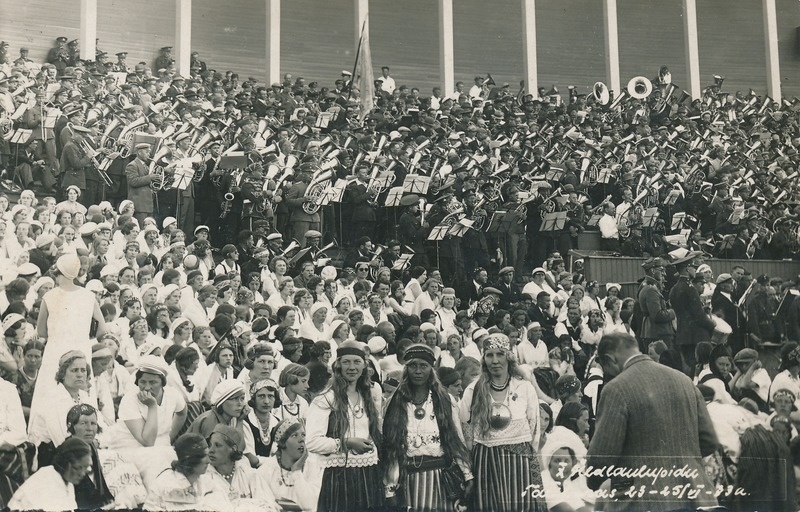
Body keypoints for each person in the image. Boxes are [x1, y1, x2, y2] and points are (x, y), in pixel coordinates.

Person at [586, 332, 719, 511]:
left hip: (643, 500)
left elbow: (600, 461)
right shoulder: (685, 381)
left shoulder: (616, 389)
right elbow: (709, 441)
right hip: (694, 496)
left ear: (609, 359)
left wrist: (596, 481)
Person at [458, 333, 544, 512]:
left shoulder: (524, 387)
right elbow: (465, 432)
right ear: (484, 359)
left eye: (500, 354)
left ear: (509, 357)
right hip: (486, 460)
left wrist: (531, 461)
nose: (495, 360)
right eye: (489, 355)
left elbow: (535, 428)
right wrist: (468, 470)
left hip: (519, 462)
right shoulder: (473, 390)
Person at [383, 343, 473, 511]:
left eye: (423, 366)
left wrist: (467, 475)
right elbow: (392, 449)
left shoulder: (444, 400)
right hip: (408, 479)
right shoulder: (395, 402)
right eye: (413, 366)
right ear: (406, 369)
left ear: (431, 369)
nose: (418, 371)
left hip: (440, 479)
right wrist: (390, 488)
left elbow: (456, 440)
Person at [29, 254, 106, 428]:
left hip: (55, 351)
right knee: (81, 390)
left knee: (50, 391)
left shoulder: (49, 296)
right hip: (80, 349)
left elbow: (41, 331)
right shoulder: (88, 295)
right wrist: (82, 337)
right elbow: (102, 329)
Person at [306, 340, 383, 512]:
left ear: (364, 365)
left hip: (368, 473)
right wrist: (345, 443)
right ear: (338, 365)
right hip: (338, 475)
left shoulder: (368, 396)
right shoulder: (326, 399)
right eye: (346, 362)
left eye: (357, 362)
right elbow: (311, 442)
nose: (352, 367)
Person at [144, 432, 225, 511]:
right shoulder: (167, 482)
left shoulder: (207, 480)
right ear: (190, 459)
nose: (208, 461)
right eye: (203, 456)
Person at [8, 437, 92, 512]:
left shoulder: (66, 482)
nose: (82, 474)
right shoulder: (47, 481)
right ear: (67, 463)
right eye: (78, 467)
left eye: (85, 468)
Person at [254, 418, 319, 511]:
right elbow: (263, 506)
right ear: (282, 442)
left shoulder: (313, 466)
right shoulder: (266, 471)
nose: (301, 440)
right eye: (295, 435)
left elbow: (310, 505)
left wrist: (296, 471)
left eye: (303, 435)